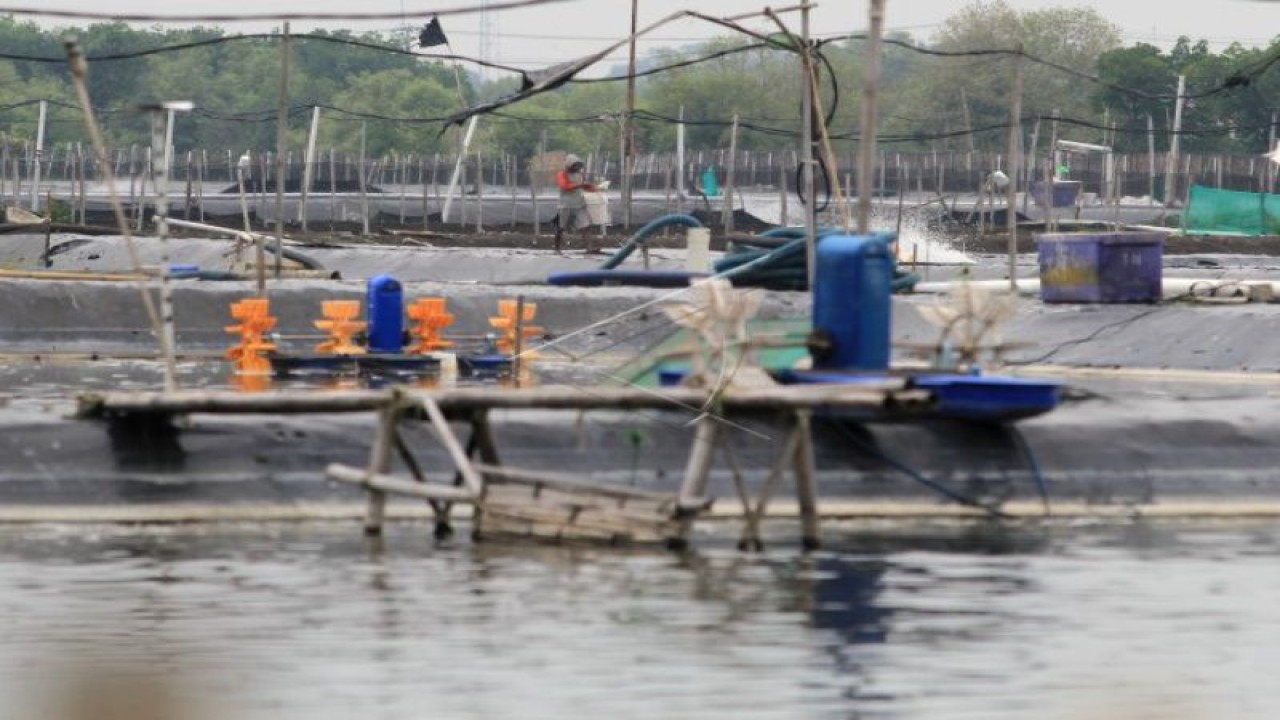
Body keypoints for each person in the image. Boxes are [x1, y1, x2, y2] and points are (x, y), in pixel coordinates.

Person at [554, 154, 599, 254]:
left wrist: (596, 189)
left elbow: (585, 186)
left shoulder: (579, 175)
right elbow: (565, 186)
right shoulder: (562, 174)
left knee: (585, 226)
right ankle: (557, 248)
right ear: (569, 165)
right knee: (561, 227)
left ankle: (589, 247)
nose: (577, 168)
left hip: (579, 204)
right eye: (575, 165)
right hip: (566, 205)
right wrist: (581, 185)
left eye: (578, 166)